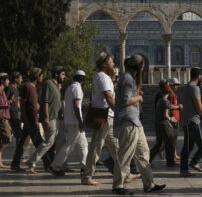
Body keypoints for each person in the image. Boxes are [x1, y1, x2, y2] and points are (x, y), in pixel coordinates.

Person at [112, 54, 166, 195]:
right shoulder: (128, 79)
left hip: (135, 121)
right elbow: (126, 100)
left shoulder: (129, 78)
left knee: (143, 153)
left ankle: (149, 184)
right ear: (140, 67)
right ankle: (118, 185)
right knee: (125, 154)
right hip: (128, 121)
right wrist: (140, 97)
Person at [82, 52, 118, 186]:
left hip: (108, 117)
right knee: (96, 147)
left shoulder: (104, 77)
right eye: (111, 61)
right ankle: (87, 176)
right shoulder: (102, 77)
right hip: (104, 117)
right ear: (104, 64)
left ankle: (124, 173)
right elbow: (109, 97)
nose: (113, 64)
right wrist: (118, 112)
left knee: (116, 148)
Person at [26, 66, 66, 173]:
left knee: (56, 142)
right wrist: (47, 118)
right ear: (56, 74)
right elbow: (46, 102)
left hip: (57, 118)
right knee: (48, 142)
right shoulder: (48, 83)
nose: (64, 76)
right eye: (62, 74)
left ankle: (55, 165)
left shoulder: (56, 86)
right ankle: (31, 163)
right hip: (51, 118)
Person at [49, 70, 88, 176]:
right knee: (70, 145)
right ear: (83, 80)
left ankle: (85, 167)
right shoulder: (77, 88)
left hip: (71, 120)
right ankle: (55, 166)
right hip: (75, 121)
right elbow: (76, 106)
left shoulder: (70, 87)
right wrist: (80, 121)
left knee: (83, 144)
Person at [14, 68, 51, 172]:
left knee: (23, 143)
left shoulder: (33, 88)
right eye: (41, 76)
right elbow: (23, 105)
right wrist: (26, 120)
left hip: (32, 120)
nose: (42, 77)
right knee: (40, 143)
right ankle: (47, 164)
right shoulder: (27, 87)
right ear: (37, 76)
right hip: (30, 121)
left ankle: (15, 163)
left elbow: (31, 104)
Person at [150, 82, 176, 167]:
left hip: (158, 123)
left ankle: (148, 160)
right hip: (164, 124)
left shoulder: (160, 100)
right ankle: (171, 163)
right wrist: (171, 119)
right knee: (170, 143)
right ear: (169, 92)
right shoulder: (166, 101)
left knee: (158, 144)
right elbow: (166, 115)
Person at [4, 72, 24, 170]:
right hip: (12, 116)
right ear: (16, 78)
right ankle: (16, 162)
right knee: (19, 137)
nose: (22, 80)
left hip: (16, 115)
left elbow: (18, 103)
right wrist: (12, 101)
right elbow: (5, 101)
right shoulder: (10, 88)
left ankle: (17, 159)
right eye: (20, 78)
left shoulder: (16, 89)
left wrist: (22, 111)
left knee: (19, 137)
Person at [0, 73, 16, 169]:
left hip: (5, 117)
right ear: (2, 80)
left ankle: (0, 162)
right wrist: (10, 102)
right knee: (8, 138)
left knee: (2, 139)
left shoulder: (2, 91)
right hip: (2, 117)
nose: (8, 81)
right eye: (7, 79)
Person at [168, 77, 183, 161]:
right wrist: (178, 106)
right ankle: (173, 154)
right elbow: (169, 106)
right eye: (176, 85)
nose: (177, 86)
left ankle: (174, 154)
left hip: (175, 117)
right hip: (173, 118)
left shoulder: (172, 93)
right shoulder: (171, 94)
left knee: (174, 138)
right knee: (173, 138)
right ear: (172, 85)